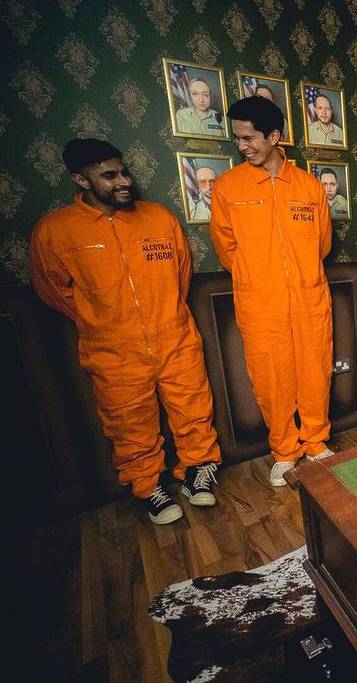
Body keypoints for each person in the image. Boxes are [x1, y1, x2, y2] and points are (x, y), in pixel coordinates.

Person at [29, 139, 222, 524]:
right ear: (81, 180)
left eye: (124, 172)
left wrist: (163, 314)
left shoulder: (158, 218)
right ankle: (147, 484)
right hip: (113, 349)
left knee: (193, 409)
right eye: (110, 176)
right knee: (129, 423)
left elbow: (180, 275)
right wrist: (98, 319)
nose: (124, 182)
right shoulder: (55, 231)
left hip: (174, 336)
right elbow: (52, 289)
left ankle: (197, 471)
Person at [210, 96, 334, 487]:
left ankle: (316, 443)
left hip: (309, 297)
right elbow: (226, 248)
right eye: (237, 138)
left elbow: (323, 243)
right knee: (271, 380)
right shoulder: (228, 187)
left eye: (249, 138)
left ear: (274, 136)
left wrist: (299, 277)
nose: (242, 146)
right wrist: (258, 278)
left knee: (315, 372)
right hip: (260, 304)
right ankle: (284, 452)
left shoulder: (309, 187)